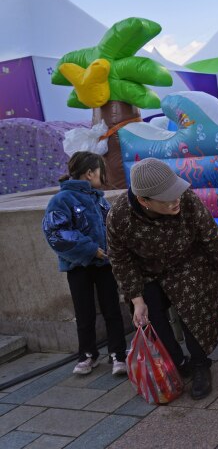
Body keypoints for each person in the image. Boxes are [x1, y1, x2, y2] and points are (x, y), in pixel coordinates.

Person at [106, 158, 218, 400]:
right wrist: (136, 299)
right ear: (144, 201)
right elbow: (120, 259)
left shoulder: (185, 198)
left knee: (193, 305)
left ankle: (200, 364)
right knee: (150, 314)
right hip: (147, 272)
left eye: (175, 192)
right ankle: (177, 361)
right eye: (167, 198)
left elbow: (212, 237)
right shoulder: (119, 217)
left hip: (189, 263)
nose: (176, 199)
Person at [42, 151, 128, 376]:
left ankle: (118, 354)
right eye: (101, 171)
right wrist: (91, 250)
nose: (103, 177)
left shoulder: (99, 199)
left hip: (105, 265)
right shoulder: (61, 200)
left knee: (112, 309)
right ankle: (88, 354)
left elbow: (113, 227)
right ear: (90, 173)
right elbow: (56, 233)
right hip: (78, 267)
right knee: (84, 312)